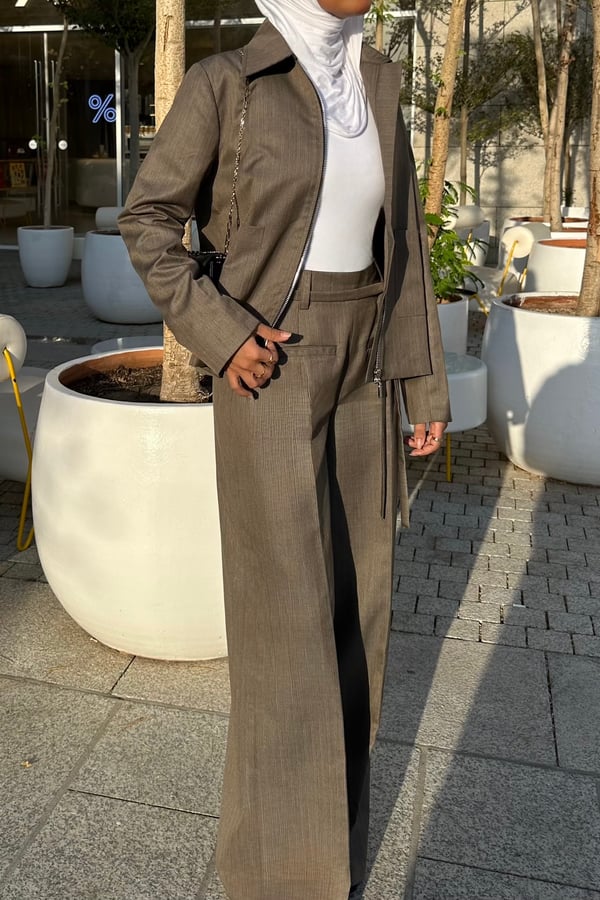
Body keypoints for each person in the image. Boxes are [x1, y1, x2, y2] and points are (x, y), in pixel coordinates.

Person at [119, 2, 450, 898]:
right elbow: (147, 219)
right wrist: (222, 333)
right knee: (286, 633)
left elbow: (406, 245)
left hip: (366, 365)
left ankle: (329, 858)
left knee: (358, 617)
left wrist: (422, 383)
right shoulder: (227, 84)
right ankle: (280, 879)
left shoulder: (377, 83)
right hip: (272, 364)